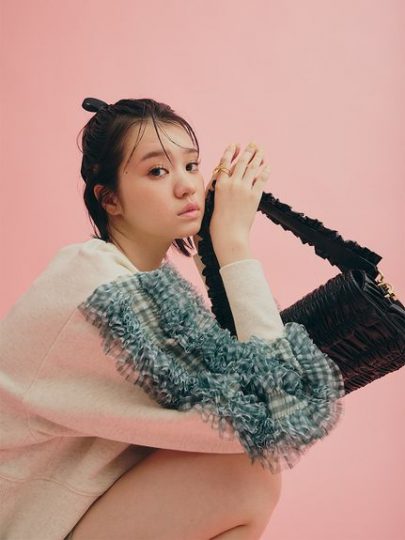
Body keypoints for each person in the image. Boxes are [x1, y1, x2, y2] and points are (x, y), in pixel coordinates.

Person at [0, 97, 345, 540]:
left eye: (191, 165)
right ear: (110, 199)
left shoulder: (138, 280)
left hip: (66, 518)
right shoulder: (104, 292)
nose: (186, 187)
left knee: (246, 476)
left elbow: (254, 389)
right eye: (157, 171)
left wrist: (214, 249)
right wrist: (233, 242)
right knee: (244, 475)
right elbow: (283, 414)